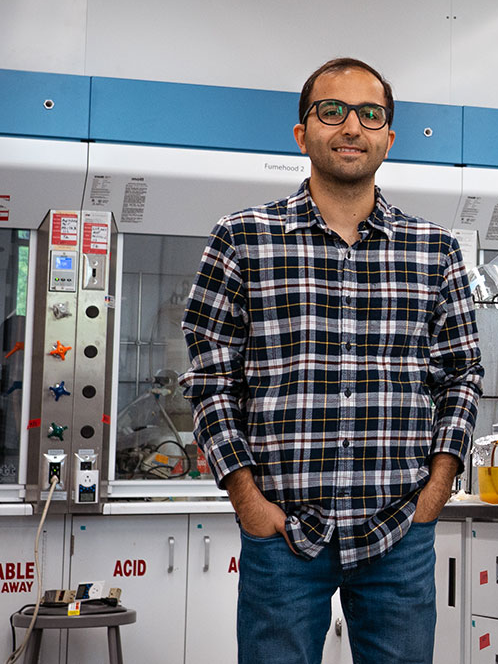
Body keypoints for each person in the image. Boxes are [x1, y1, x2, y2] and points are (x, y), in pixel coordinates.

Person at [180, 57, 482, 663]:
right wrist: (248, 502)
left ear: (389, 137)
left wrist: (437, 490)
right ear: (302, 132)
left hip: (399, 533)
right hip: (283, 536)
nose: (352, 127)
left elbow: (463, 374)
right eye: (332, 111)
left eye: (370, 114)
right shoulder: (242, 238)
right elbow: (210, 380)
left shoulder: (435, 249)